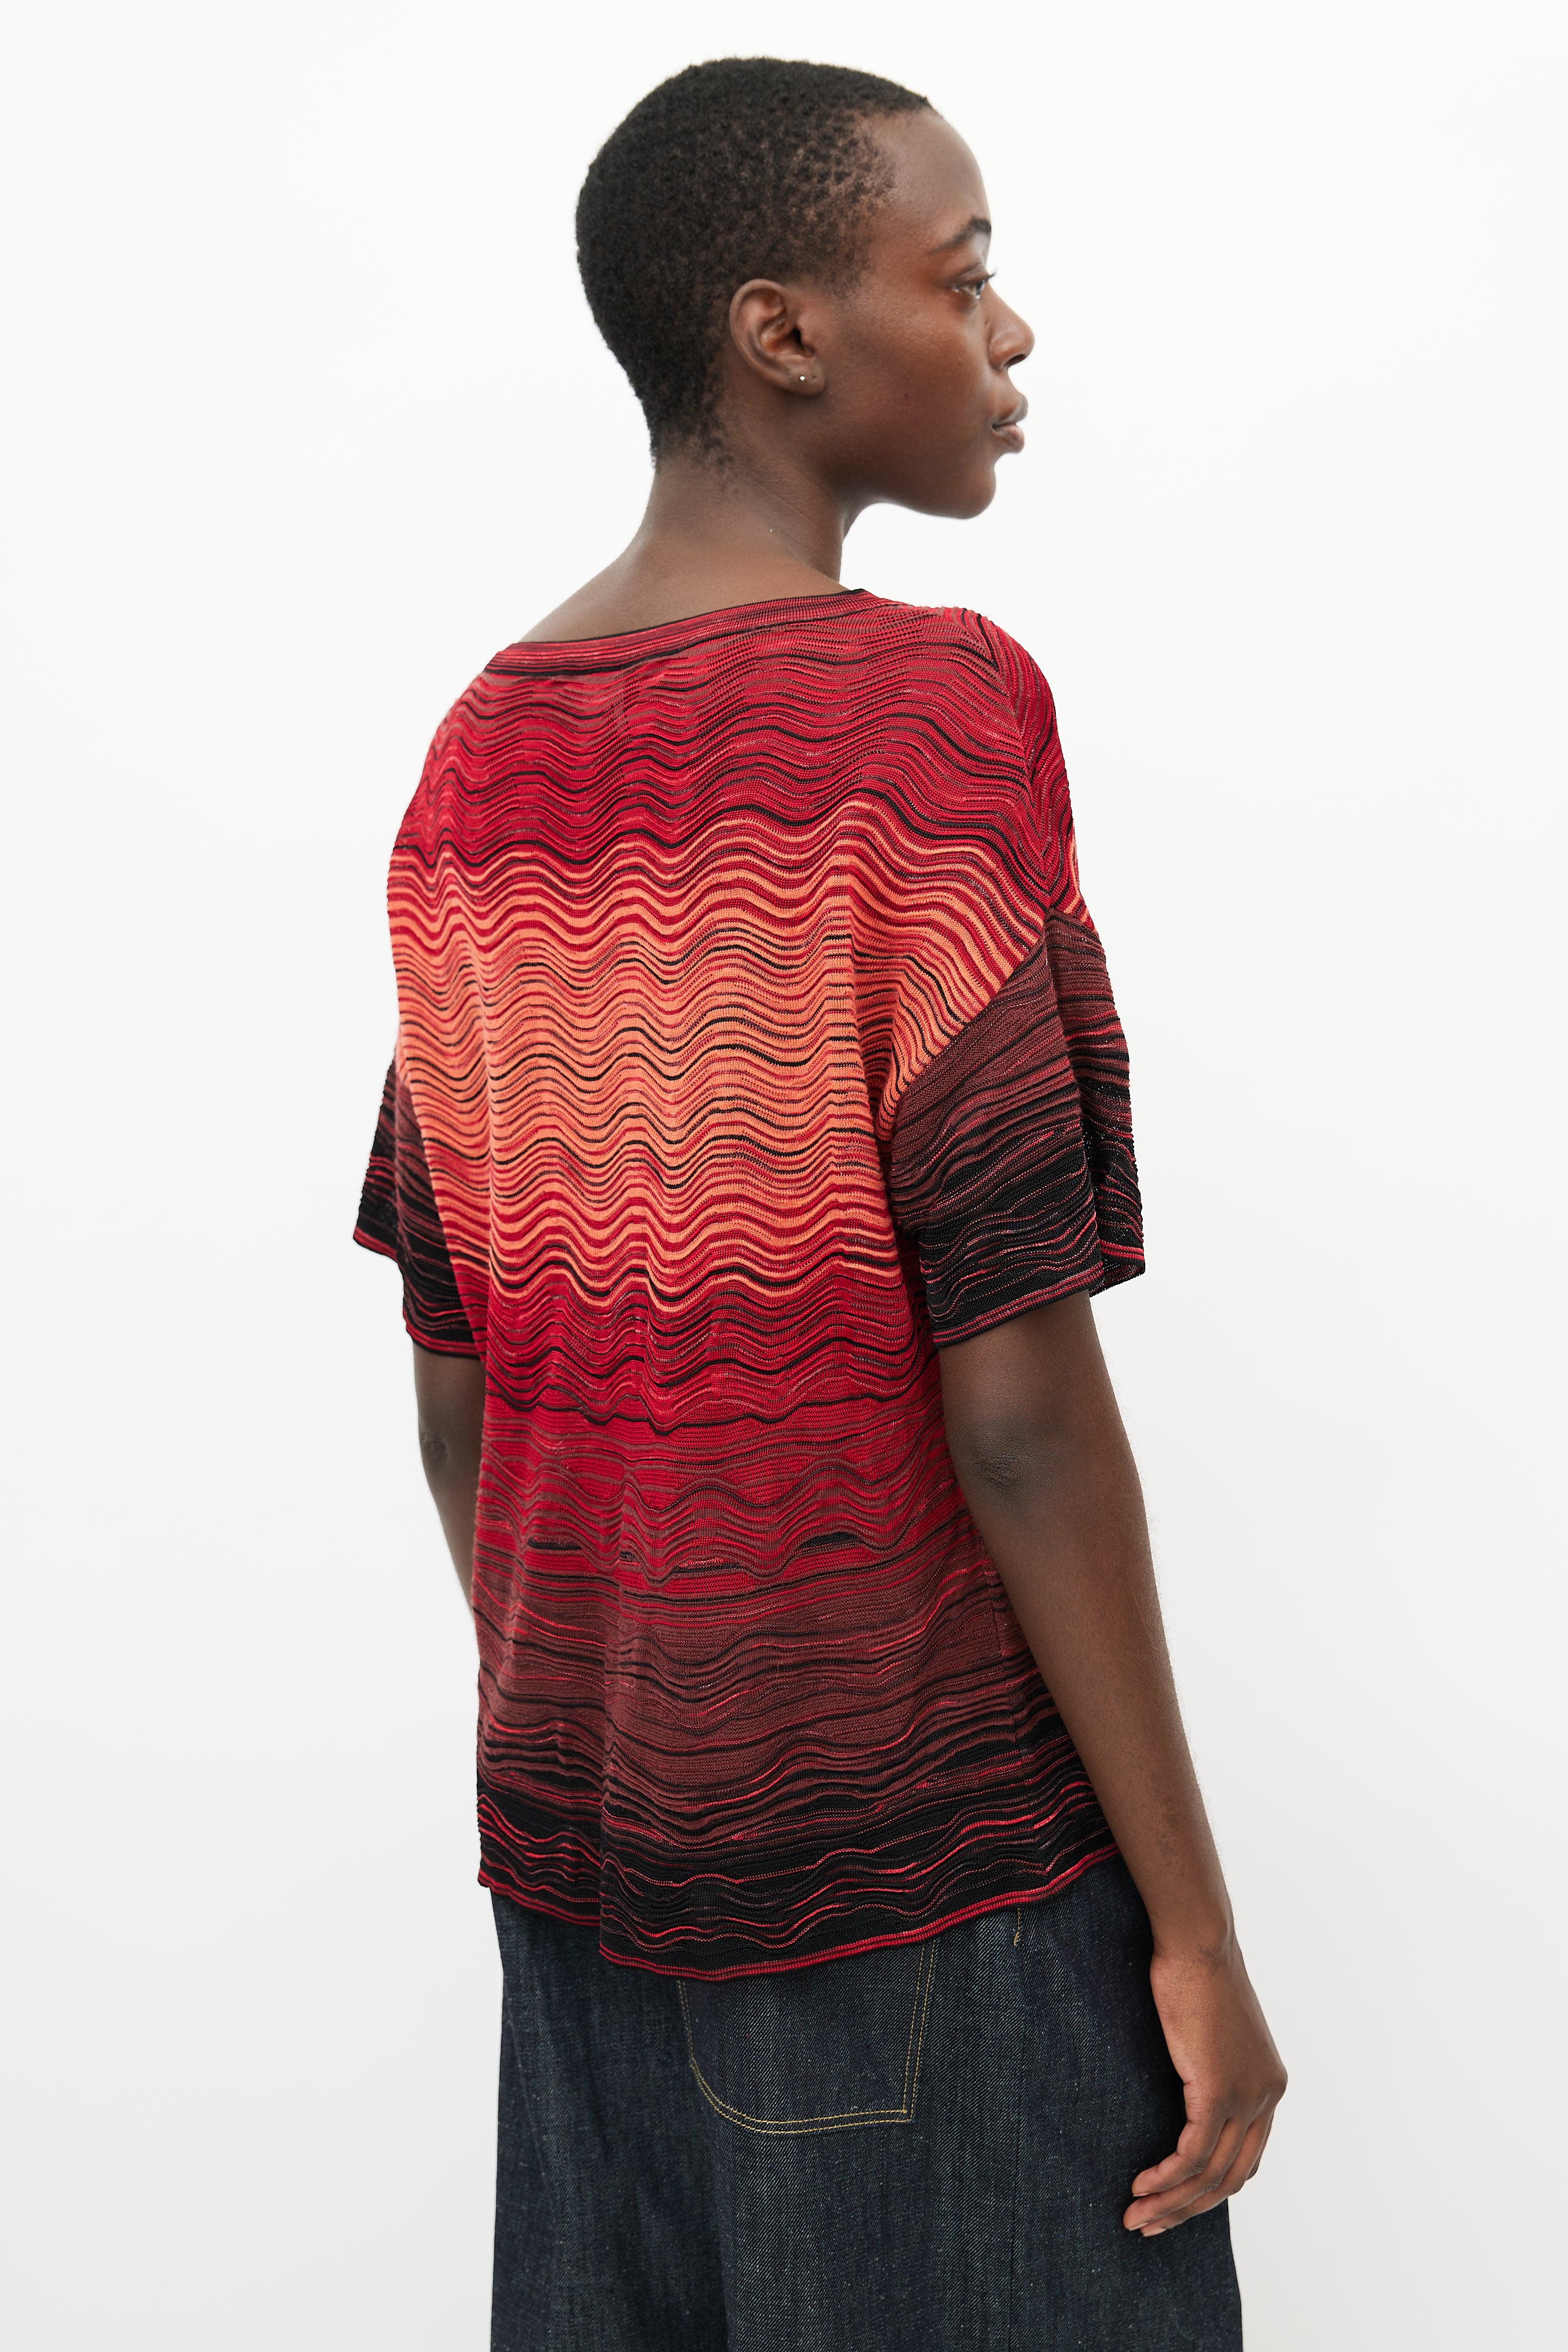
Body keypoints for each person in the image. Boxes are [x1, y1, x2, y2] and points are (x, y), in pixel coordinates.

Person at [354, 55, 1285, 2352]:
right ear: (780, 332)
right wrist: (1192, 1930)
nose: (1008, 333)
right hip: (922, 1883)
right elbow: (1020, 1413)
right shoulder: (925, 720)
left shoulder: (480, 755)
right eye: (958, 280)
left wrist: (645, 1736)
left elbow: (457, 1386)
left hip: (582, 1867)